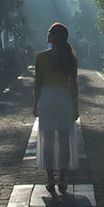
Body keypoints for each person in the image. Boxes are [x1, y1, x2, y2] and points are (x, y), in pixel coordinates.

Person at [33, 22, 79, 196]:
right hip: (64, 99)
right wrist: (75, 106)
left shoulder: (41, 58)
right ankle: (62, 178)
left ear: (54, 37)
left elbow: (38, 82)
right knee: (64, 140)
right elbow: (73, 85)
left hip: (48, 98)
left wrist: (35, 102)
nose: (47, 34)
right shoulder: (70, 58)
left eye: (49, 32)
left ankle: (50, 179)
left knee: (48, 140)